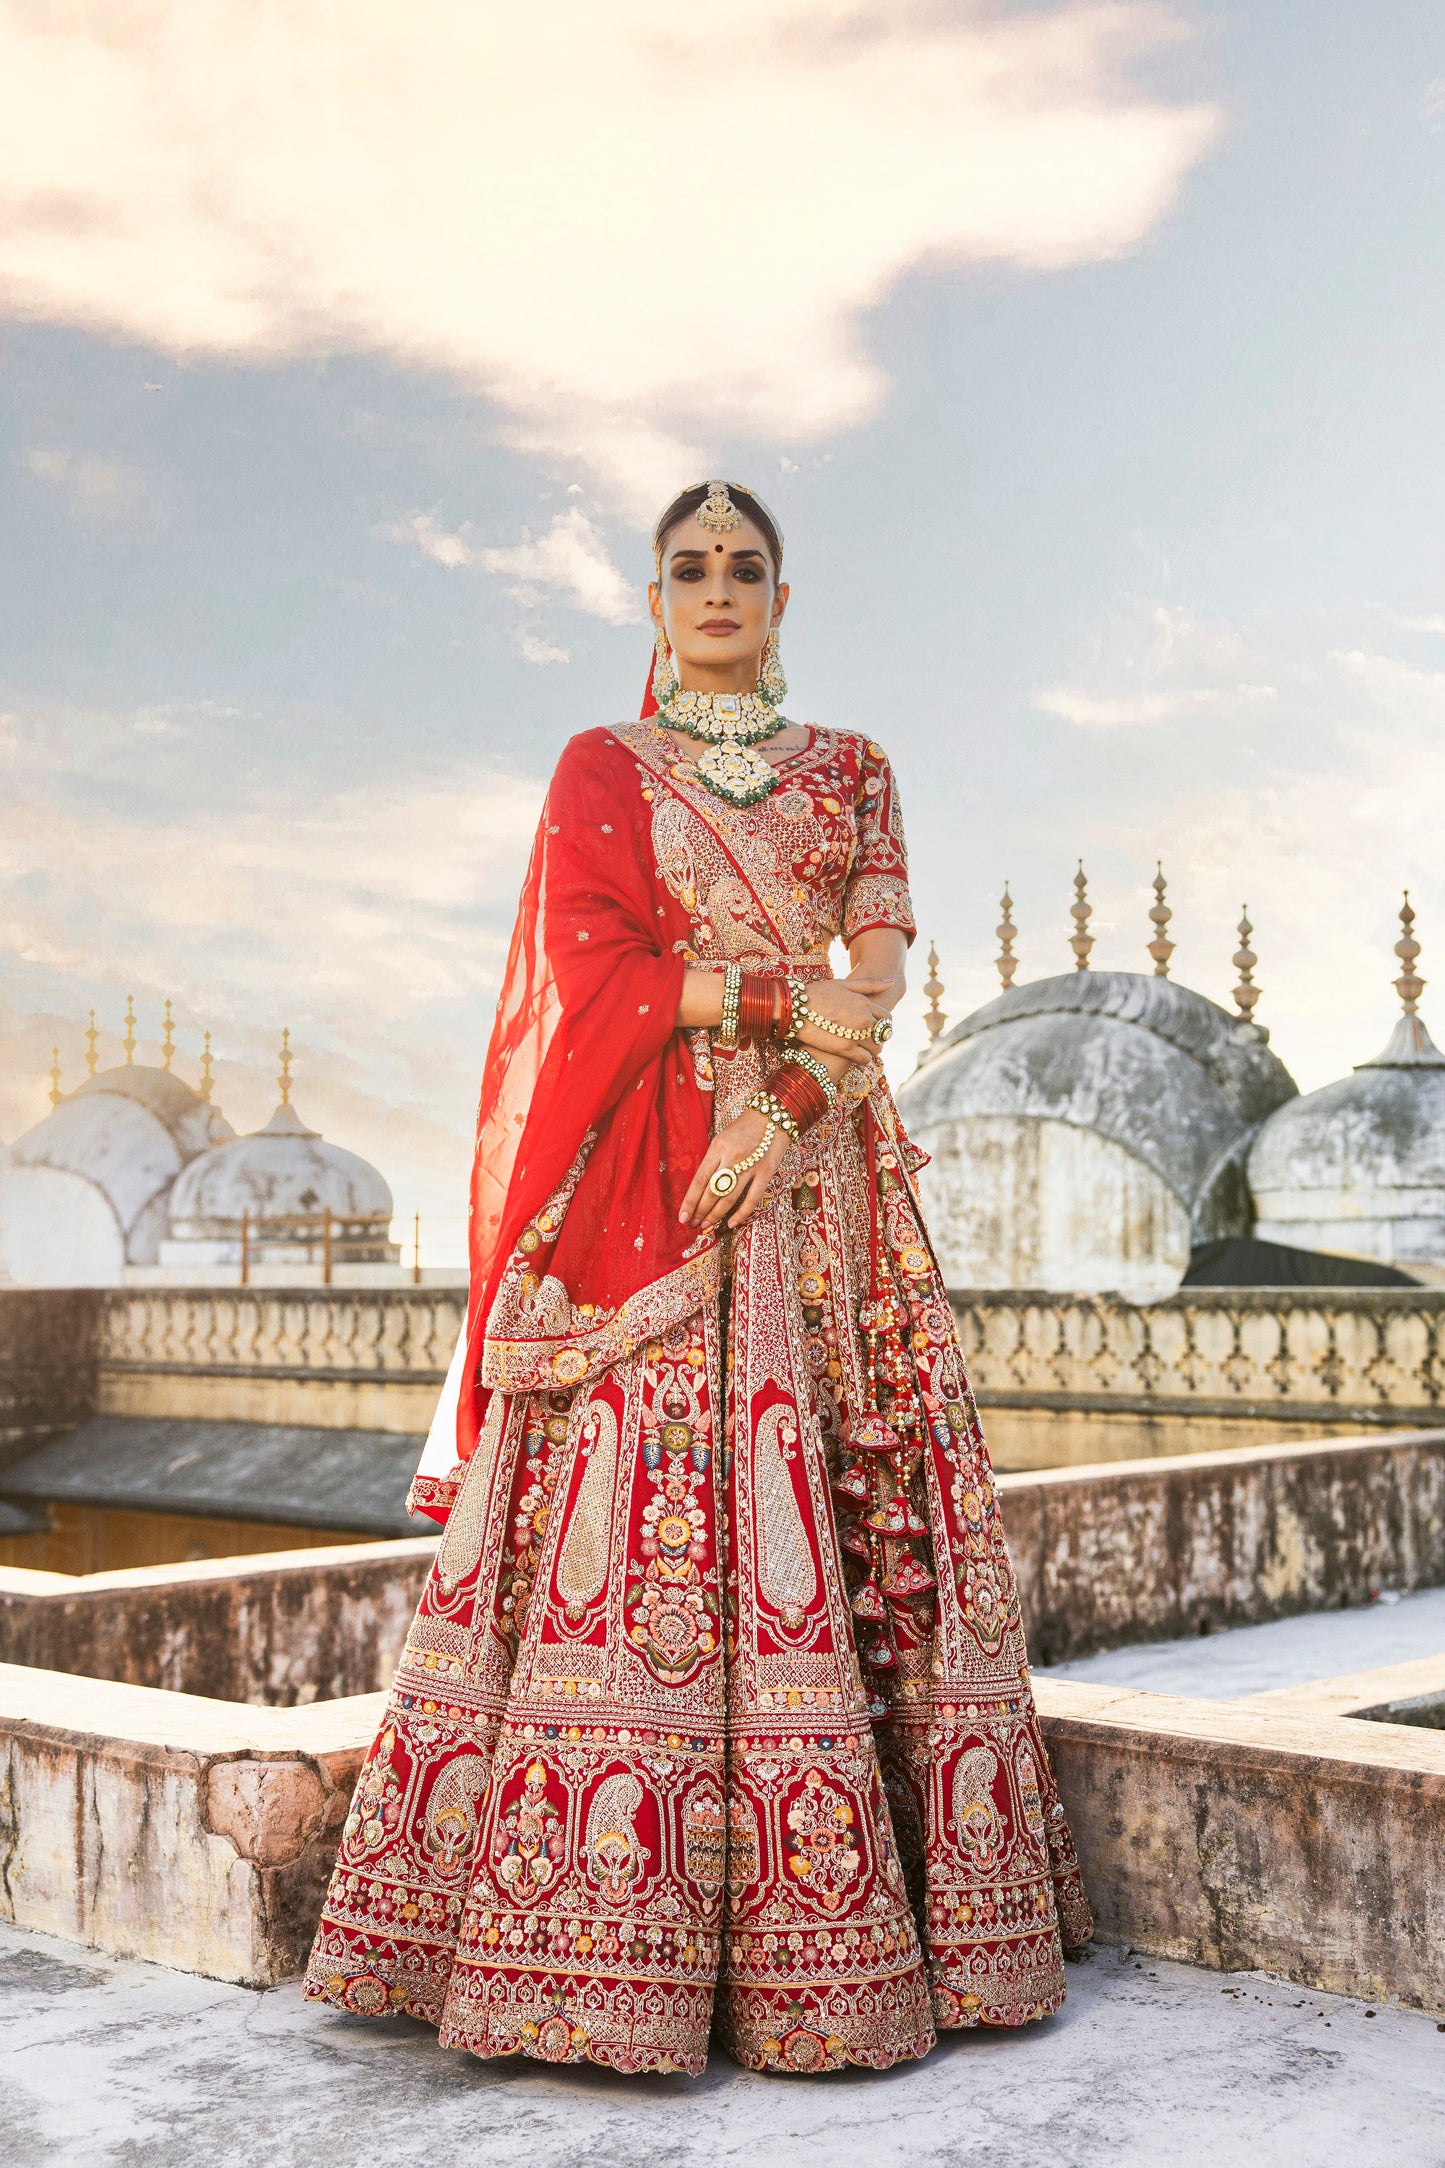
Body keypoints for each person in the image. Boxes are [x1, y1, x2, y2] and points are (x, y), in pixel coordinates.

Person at [304, 479, 1091, 2076]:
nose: (718, 588)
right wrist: (753, 1013)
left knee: (854, 1499)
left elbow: (875, 978)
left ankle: (864, 1934)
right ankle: (586, 1933)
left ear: (780, 601)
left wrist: (787, 1110)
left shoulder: (854, 769)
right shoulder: (603, 767)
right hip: (645, 1185)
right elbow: (588, 971)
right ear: (653, 602)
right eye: (689, 569)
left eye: (745, 567)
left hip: (821, 1193)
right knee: (642, 1501)